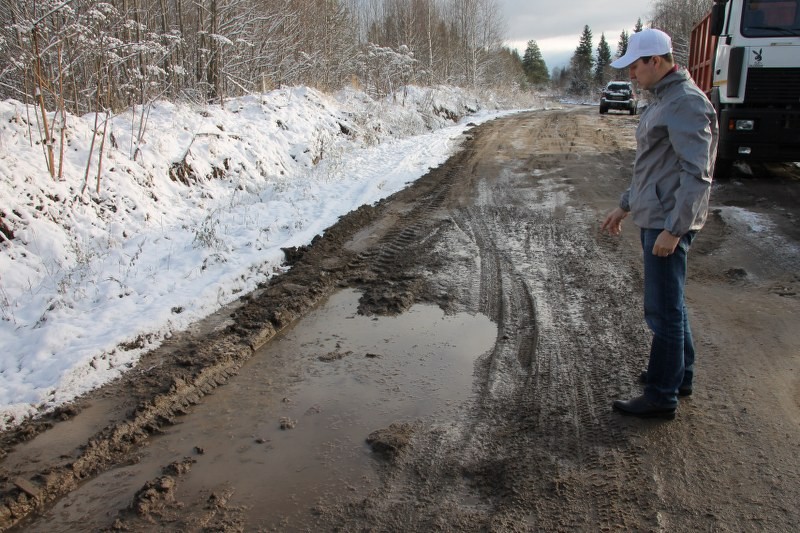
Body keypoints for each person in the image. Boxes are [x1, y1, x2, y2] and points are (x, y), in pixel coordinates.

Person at [601, 28, 718, 419]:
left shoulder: (685, 103)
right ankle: (678, 376)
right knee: (672, 305)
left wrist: (674, 229)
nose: (632, 75)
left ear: (656, 61)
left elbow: (696, 174)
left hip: (669, 222)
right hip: (658, 215)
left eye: (635, 66)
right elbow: (651, 167)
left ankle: (660, 396)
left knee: (662, 311)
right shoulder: (664, 100)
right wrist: (625, 205)